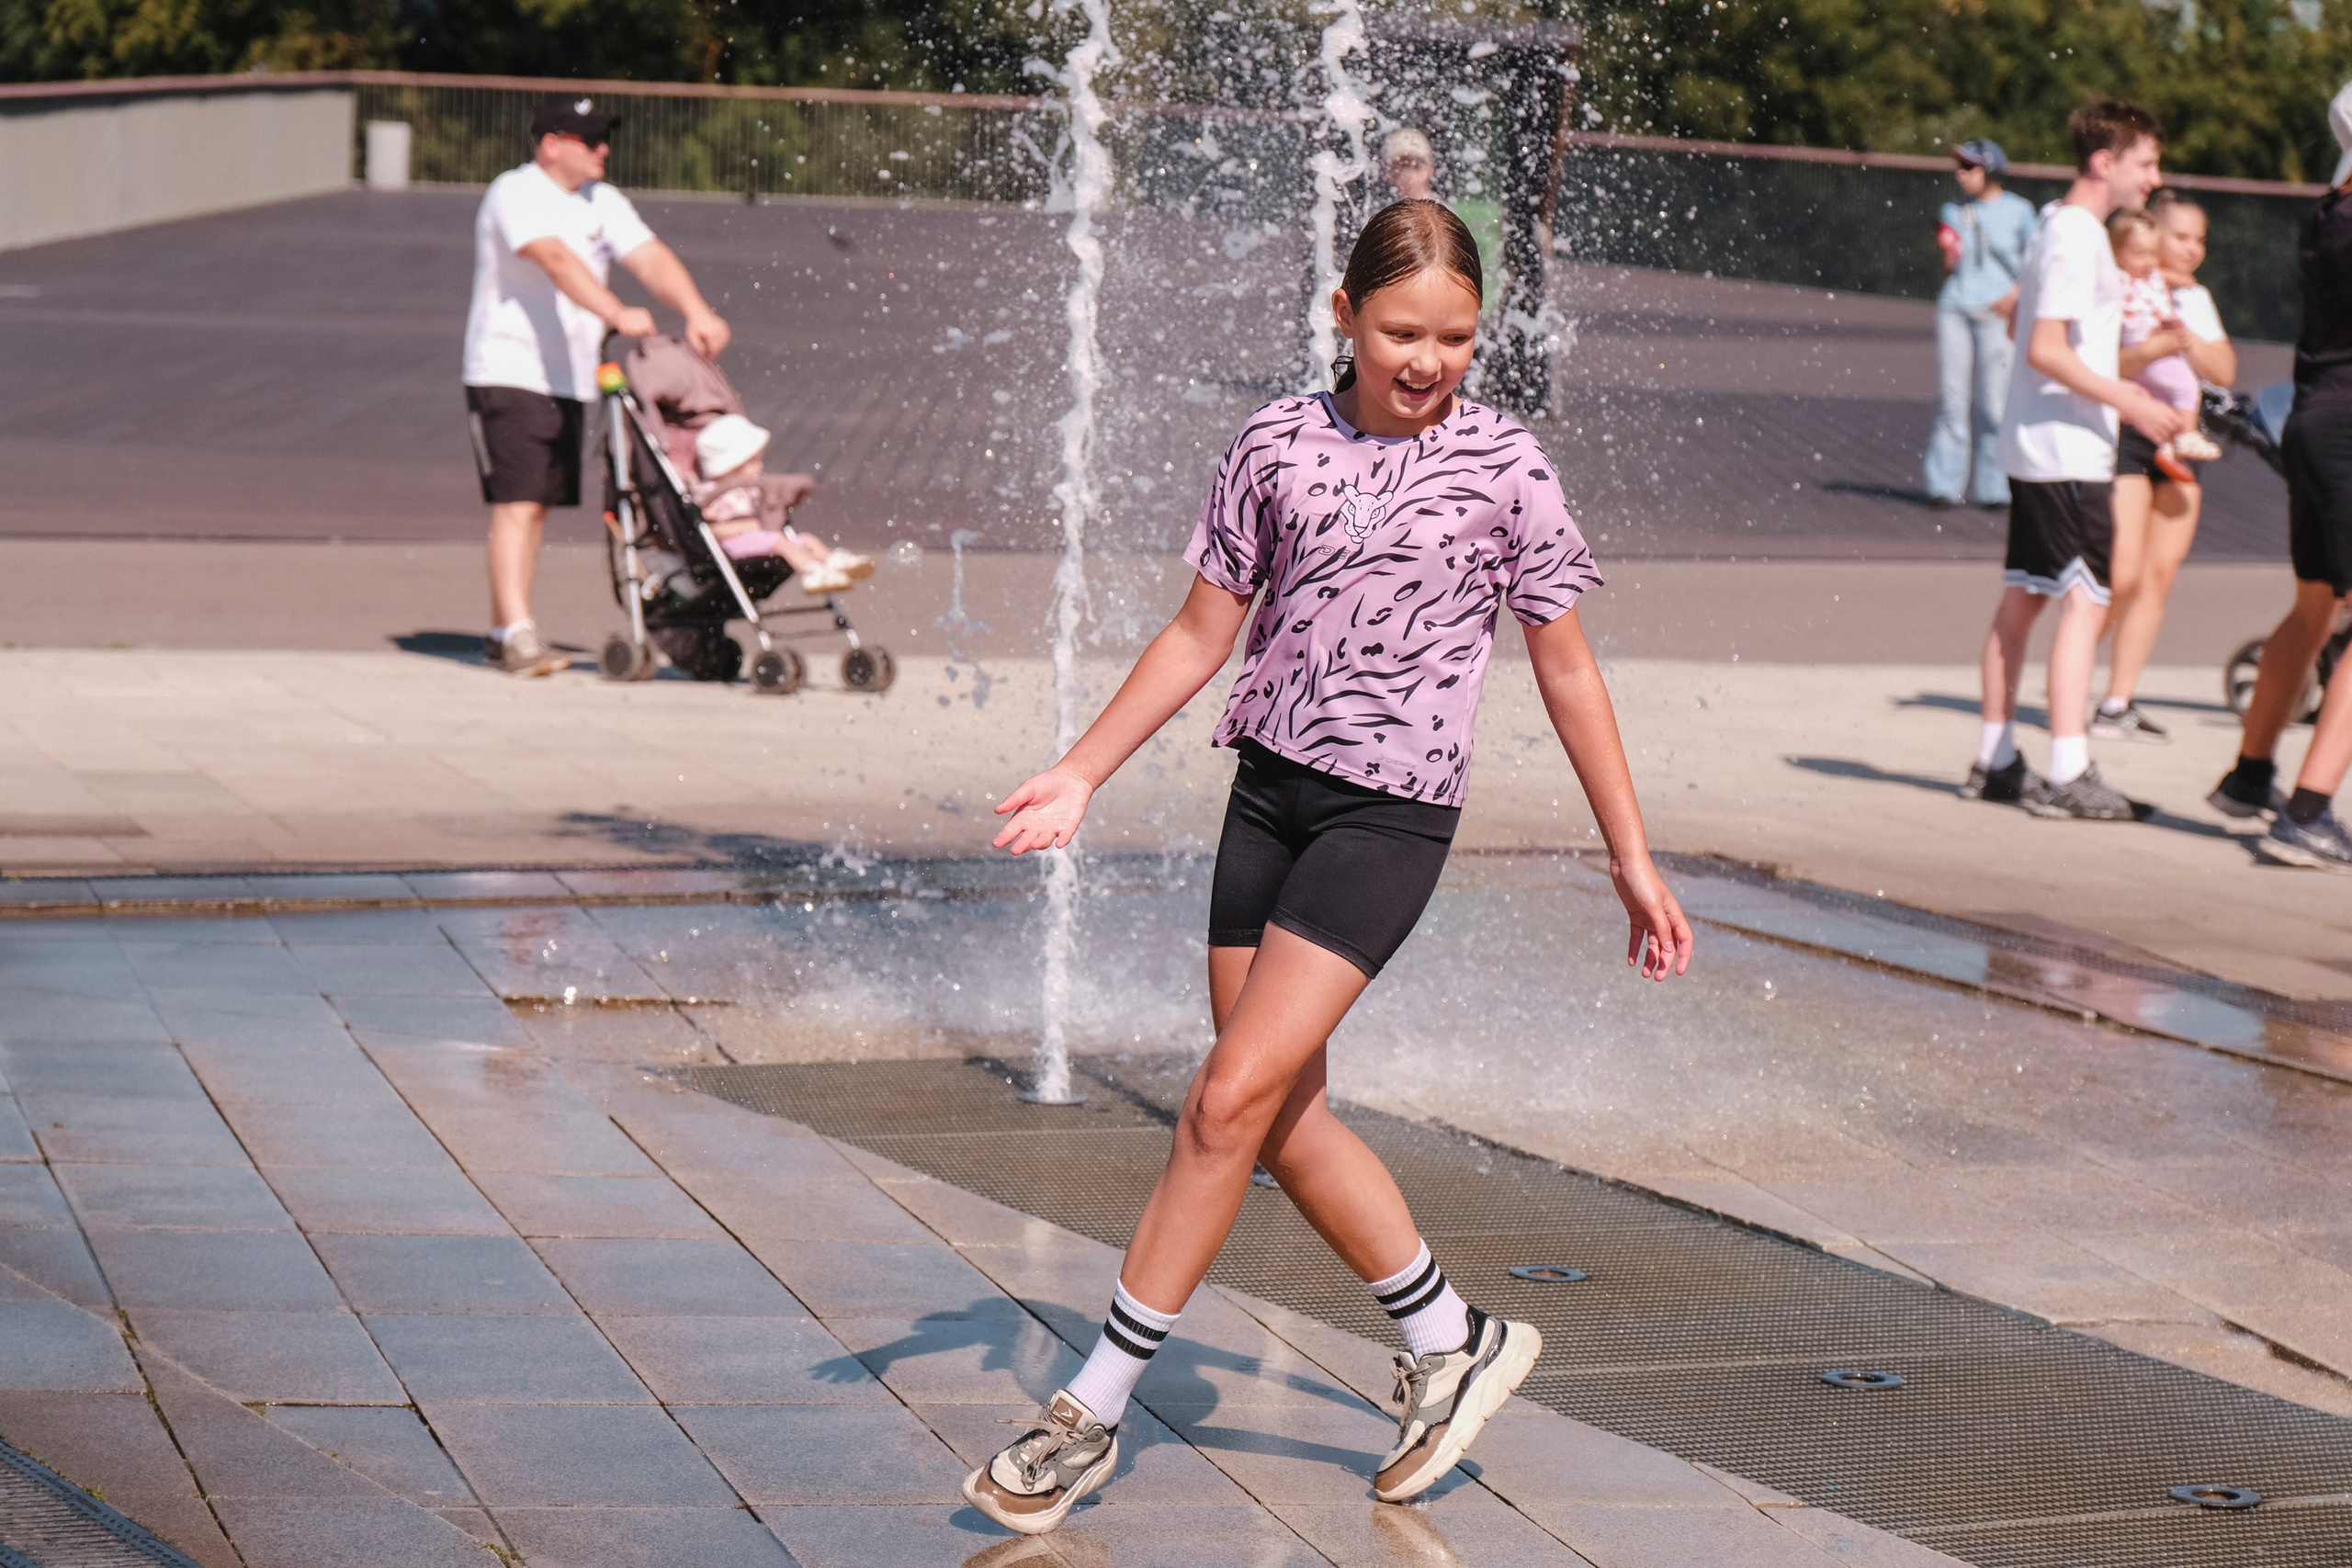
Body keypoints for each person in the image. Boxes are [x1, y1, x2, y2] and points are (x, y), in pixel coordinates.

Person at [962, 199, 1693, 1538]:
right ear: (1343, 314)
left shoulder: (1506, 465)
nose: (1429, 359)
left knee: (1220, 1097)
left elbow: (1569, 668)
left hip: (1388, 819)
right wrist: (1081, 769)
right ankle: (1451, 1335)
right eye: (1403, 330)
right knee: (1279, 1117)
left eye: (1458, 337)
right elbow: (1199, 632)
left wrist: (1629, 857)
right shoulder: (1275, 443)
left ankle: (1091, 1408)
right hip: (1269, 800)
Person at [1962, 101, 2185, 819]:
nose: (2154, 177)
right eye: (2145, 162)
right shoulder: (2077, 235)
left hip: (2045, 442)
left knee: (2026, 595)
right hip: (2065, 449)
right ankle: (2068, 768)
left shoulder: (2063, 228)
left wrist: (2131, 373)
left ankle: (1997, 758)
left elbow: (2050, 337)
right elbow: (2046, 348)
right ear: (2104, 161)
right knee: (2087, 597)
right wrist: (2133, 398)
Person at [462, 95, 731, 676]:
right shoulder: (517, 191)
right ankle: (514, 632)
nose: (603, 148)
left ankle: (503, 629)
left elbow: (649, 256)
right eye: (590, 140)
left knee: (539, 506)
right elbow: (553, 259)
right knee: (519, 503)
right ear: (552, 144)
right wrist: (615, 310)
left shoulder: (602, 201)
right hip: (510, 369)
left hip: (571, 377)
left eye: (604, 137)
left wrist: (697, 311)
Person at [2207, 84, 2352, 872]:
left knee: (2314, 607)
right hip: (2349, 432)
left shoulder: (2326, 217)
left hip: (2312, 417)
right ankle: (2309, 811)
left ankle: (2250, 774)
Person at [2096, 192, 2235, 741]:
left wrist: (2183, 335)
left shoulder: (2195, 298)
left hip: (2182, 436)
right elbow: (2104, 363)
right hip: (2131, 430)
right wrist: (2153, 349)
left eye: (2199, 239)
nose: (2192, 249)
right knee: (2122, 572)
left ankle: (2116, 701)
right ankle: (2073, 669)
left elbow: (2221, 367)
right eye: (2181, 237)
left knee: (2159, 575)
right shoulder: (2120, 288)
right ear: (2150, 237)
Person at [1925, 140, 2037, 508]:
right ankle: (1944, 485)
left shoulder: (2020, 211)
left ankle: (1996, 487)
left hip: (1997, 314)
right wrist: (1947, 254)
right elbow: (1948, 267)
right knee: (1952, 401)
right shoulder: (1953, 210)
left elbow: (2036, 264)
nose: (1962, 174)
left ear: (1990, 170)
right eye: (1959, 166)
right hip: (1956, 308)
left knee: (1995, 405)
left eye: (1970, 167)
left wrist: (2016, 294)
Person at [688, 414, 874, 594]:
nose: (760, 467)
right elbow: (711, 530)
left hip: (763, 537)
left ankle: (835, 561)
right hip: (735, 546)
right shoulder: (712, 494)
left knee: (806, 539)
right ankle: (812, 571)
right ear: (731, 465)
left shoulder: (750, 489)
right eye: (753, 461)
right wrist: (749, 526)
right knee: (780, 542)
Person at [1379, 128, 1500, 297]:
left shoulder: (1448, 215)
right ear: (1386, 171)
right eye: (1400, 165)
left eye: (1415, 165)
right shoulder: (1381, 218)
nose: (1407, 174)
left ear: (1431, 168)